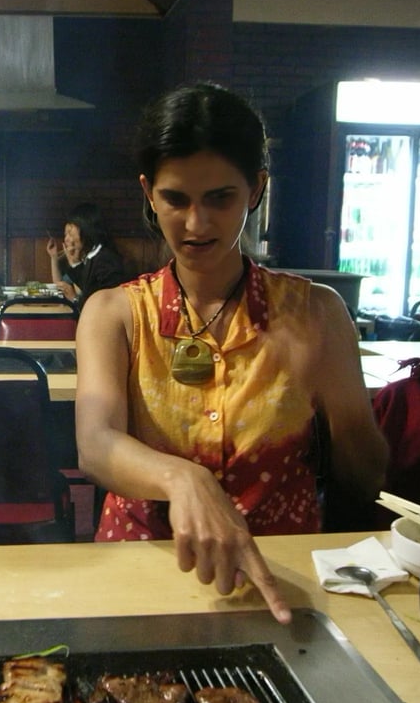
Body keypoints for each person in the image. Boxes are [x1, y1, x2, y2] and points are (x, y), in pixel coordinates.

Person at [74, 82, 388, 624]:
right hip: (144, 563)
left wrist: (339, 393)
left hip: (280, 575)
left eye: (220, 198)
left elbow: (365, 476)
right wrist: (183, 479)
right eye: (176, 199)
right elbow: (95, 444)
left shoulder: (315, 312)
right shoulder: (114, 313)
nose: (196, 224)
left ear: (256, 188)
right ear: (149, 192)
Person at [45, 202, 127, 308]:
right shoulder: (92, 256)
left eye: (70, 233)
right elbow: (86, 288)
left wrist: (74, 299)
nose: (66, 239)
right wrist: (74, 263)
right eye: (66, 234)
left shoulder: (106, 260)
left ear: (86, 230)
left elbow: (105, 306)